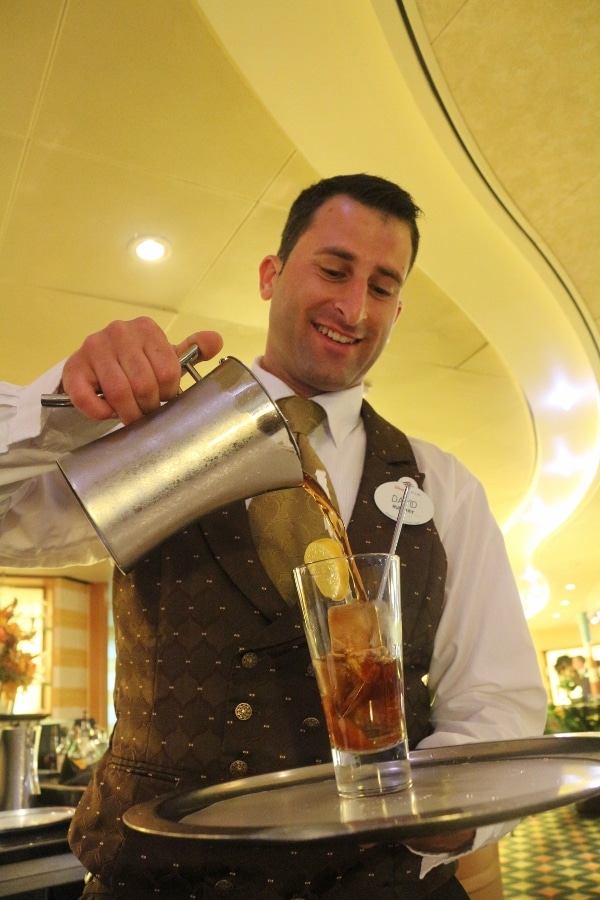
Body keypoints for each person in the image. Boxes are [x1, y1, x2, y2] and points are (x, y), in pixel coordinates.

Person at [0, 174, 547, 899]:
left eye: (383, 287)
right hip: (156, 882)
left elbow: (498, 699)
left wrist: (446, 821)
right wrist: (67, 402)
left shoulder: (443, 485)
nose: (354, 306)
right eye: (333, 269)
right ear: (270, 274)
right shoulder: (156, 437)